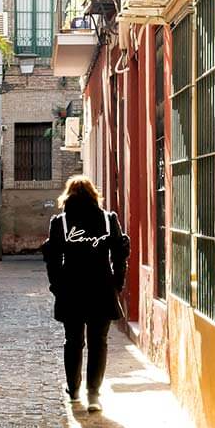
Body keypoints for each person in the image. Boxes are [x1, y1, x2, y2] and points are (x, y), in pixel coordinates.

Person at [42, 175, 130, 415]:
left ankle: (73, 391)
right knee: (98, 343)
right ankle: (94, 396)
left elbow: (52, 260)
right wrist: (117, 284)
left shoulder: (59, 223)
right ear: (94, 196)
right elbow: (120, 255)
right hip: (101, 288)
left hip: (71, 290)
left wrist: (57, 286)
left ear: (68, 197)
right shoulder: (108, 220)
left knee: (73, 341)